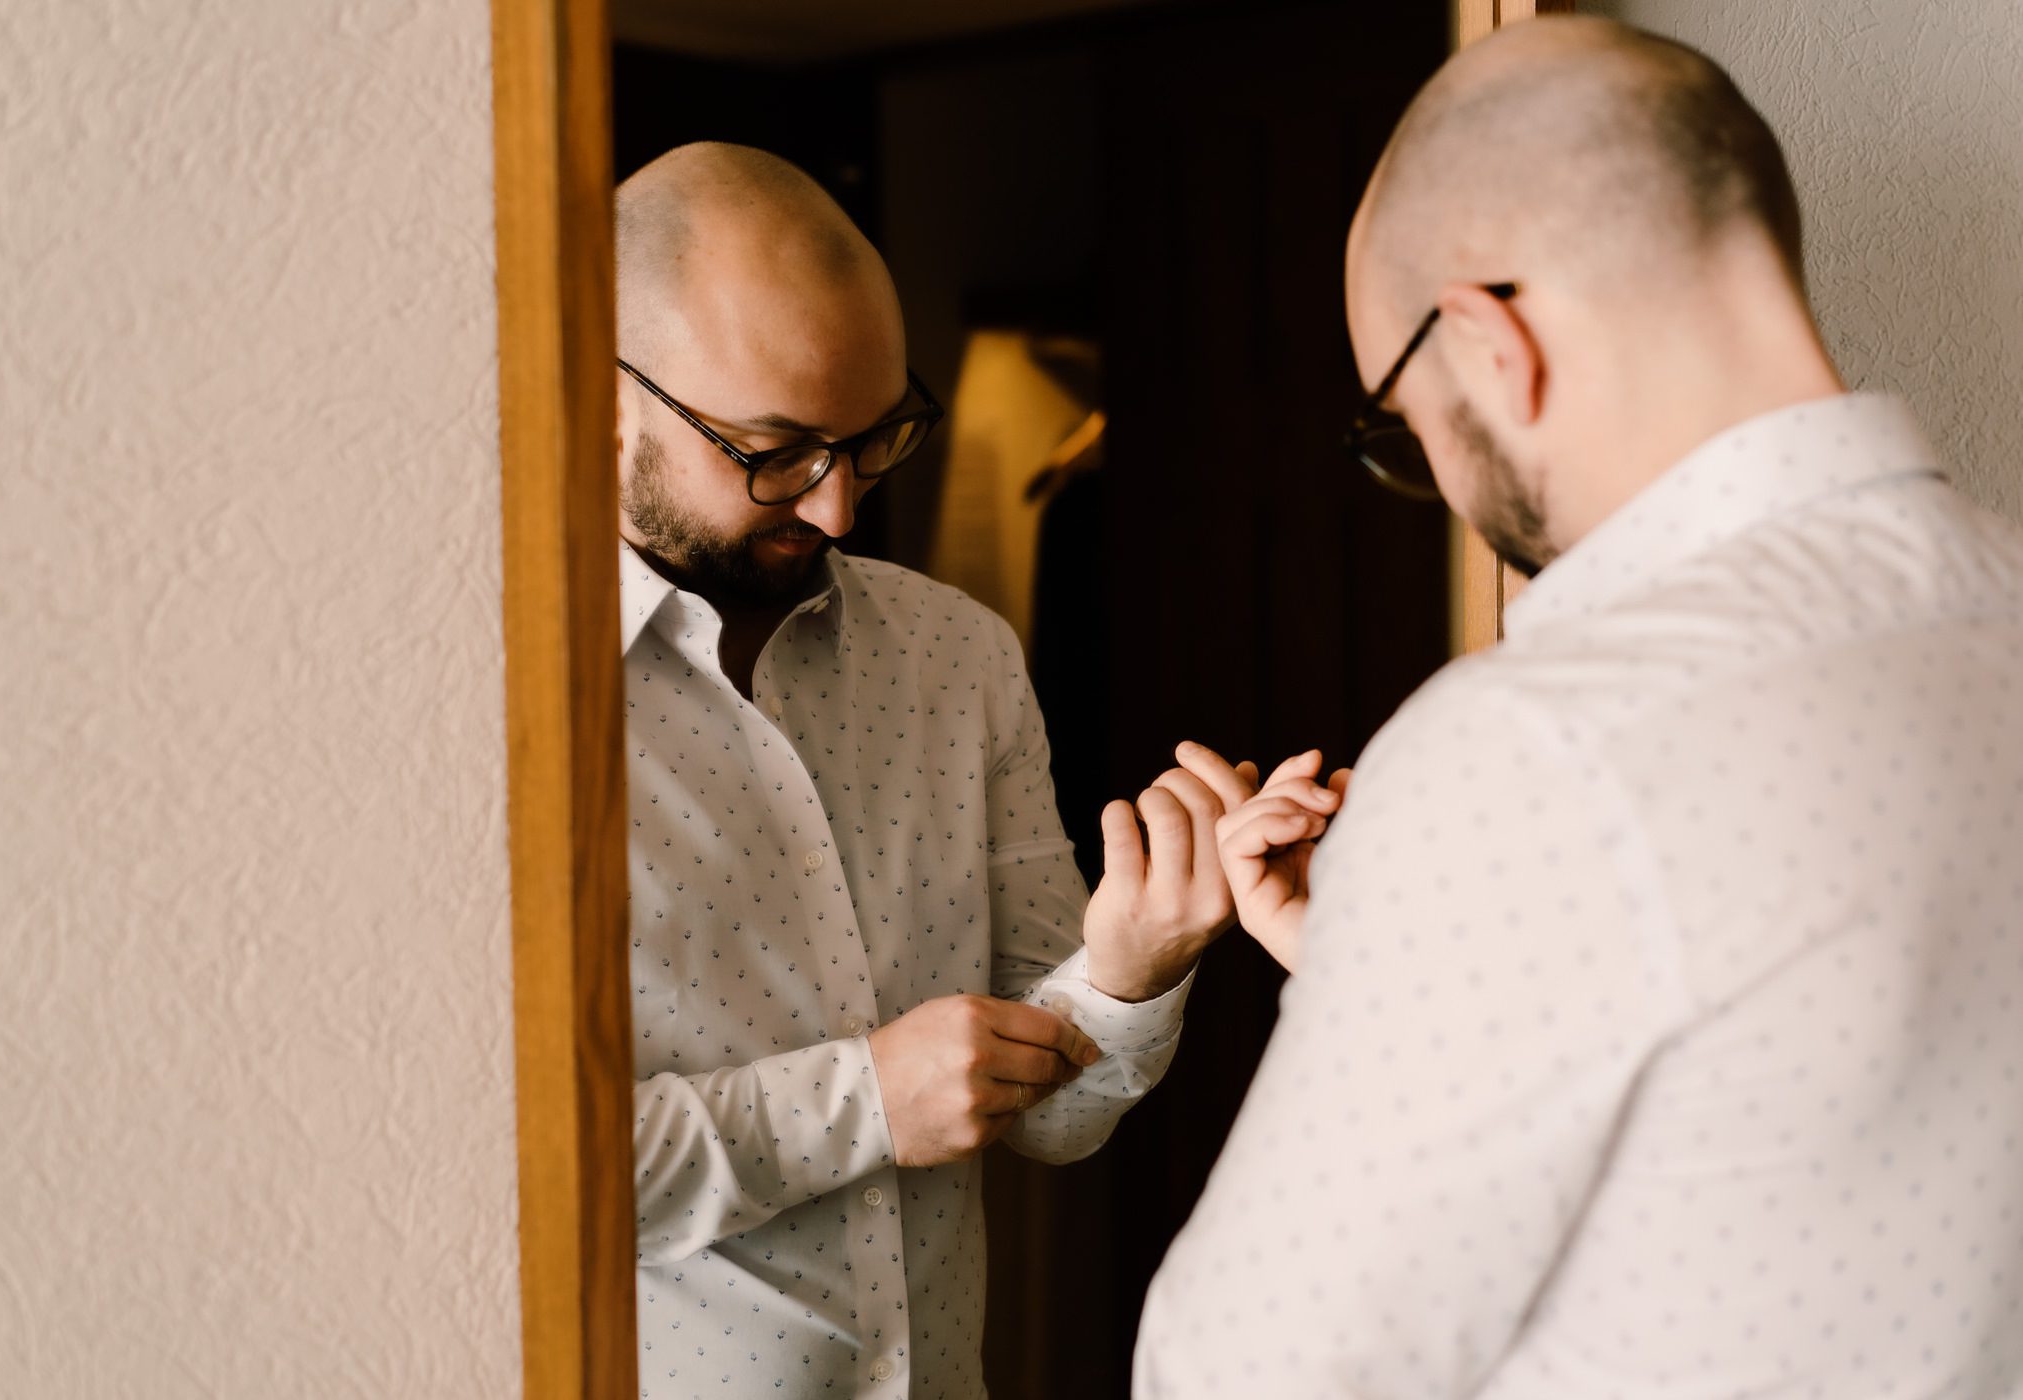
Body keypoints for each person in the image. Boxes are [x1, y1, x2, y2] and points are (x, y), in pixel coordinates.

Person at [1139, 17, 2023, 1397]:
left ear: (1493, 343)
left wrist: (1451, 890)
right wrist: (1394, 968)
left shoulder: (1540, 751)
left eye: (1400, 427)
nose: (1431, 468)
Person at [616, 143, 1267, 1398]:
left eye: (874, 440)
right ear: (603, 391)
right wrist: (865, 1097)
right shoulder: (485, 708)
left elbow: (1045, 1115)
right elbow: (504, 1180)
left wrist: (1134, 962)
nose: (840, 508)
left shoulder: (955, 654)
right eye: (775, 450)